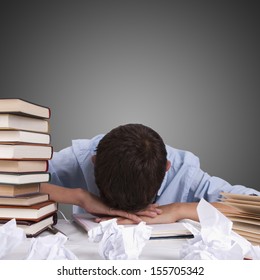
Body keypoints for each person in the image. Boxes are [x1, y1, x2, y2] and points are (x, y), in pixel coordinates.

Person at [40, 123, 260, 224]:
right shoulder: (79, 159)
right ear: (94, 163)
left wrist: (178, 210)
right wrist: (79, 197)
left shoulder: (185, 173)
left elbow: (254, 210)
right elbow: (8, 182)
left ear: (167, 168)